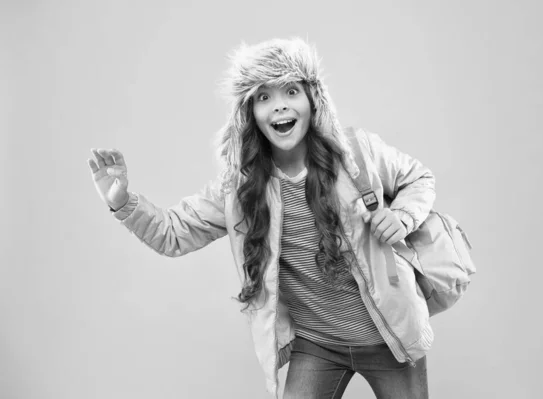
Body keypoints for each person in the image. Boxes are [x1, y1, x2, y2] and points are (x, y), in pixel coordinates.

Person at [87, 38, 436, 399]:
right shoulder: (239, 189)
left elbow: (419, 179)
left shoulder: (357, 154)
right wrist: (123, 202)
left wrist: (403, 216)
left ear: (313, 100)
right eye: (263, 97)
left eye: (291, 91)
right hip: (318, 345)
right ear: (249, 112)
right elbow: (173, 234)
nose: (279, 106)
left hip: (390, 337)